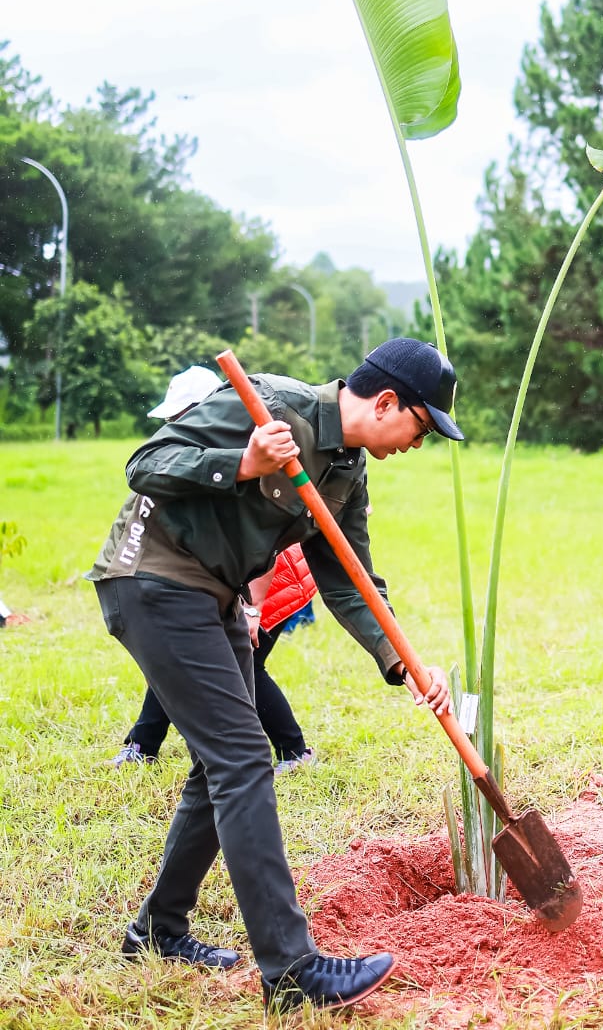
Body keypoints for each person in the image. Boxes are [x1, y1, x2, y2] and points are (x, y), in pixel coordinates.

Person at [87, 338, 461, 1012]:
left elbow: (349, 580)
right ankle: (291, 973)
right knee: (240, 760)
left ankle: (158, 931)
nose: (418, 442)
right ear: (386, 403)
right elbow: (145, 465)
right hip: (152, 578)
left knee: (221, 764)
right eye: (422, 426)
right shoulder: (272, 408)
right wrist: (244, 461)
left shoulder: (345, 466)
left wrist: (400, 657)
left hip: (217, 592)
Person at [110, 541, 320, 773]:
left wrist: (252, 607)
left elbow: (266, 541)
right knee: (182, 655)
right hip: (239, 576)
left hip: (268, 579)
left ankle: (295, 751)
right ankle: (142, 746)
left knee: (248, 665)